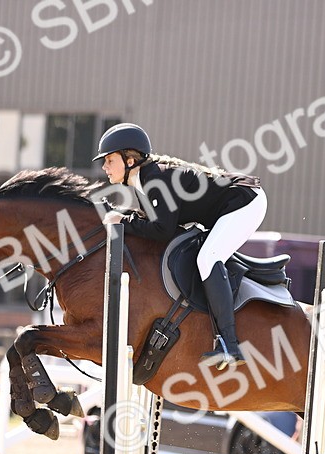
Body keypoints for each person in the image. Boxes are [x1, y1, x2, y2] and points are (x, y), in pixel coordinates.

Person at [94, 123, 266, 370]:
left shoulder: (155, 180)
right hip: (232, 204)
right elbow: (158, 224)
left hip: (245, 201)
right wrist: (122, 216)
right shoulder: (144, 183)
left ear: (129, 159)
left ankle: (229, 344)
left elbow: (162, 230)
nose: (104, 167)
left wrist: (123, 220)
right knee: (205, 256)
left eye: (109, 160)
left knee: (207, 258)